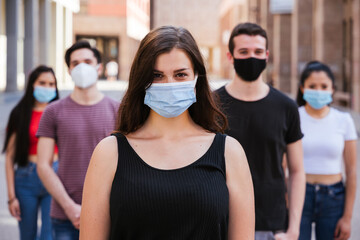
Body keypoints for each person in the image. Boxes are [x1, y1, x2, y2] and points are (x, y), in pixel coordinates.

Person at [80, 25, 255, 240]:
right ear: (141, 80)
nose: (169, 84)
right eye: (157, 75)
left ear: (196, 78)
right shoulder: (109, 153)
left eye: (180, 74)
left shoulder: (230, 153)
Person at [215, 22, 305, 240]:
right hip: (221, 221)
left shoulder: (286, 106)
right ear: (230, 56)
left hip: (272, 224)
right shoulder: (212, 105)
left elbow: (296, 170)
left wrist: (293, 229)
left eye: (257, 52)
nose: (251, 58)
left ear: (266, 55)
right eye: (243, 52)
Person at [36, 41, 119, 240]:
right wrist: (70, 207)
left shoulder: (118, 110)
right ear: (69, 70)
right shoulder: (53, 111)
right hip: (65, 215)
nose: (82, 67)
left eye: (87, 61)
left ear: (99, 67)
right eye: (75, 63)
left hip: (109, 212)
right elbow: (43, 166)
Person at [297, 61, 357, 240]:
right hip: (300, 196)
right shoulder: (293, 116)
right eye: (312, 86)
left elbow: (352, 171)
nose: (318, 91)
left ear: (332, 89)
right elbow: (283, 162)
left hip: (333, 197)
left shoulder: (343, 120)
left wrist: (347, 217)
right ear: (302, 88)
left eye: (324, 86)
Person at [3, 65, 59, 240]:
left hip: (55, 174)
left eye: (52, 84)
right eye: (42, 82)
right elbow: (10, 157)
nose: (47, 87)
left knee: (49, 236)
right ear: (32, 84)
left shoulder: (60, 112)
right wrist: (12, 197)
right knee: (27, 235)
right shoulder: (20, 113)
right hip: (27, 178)